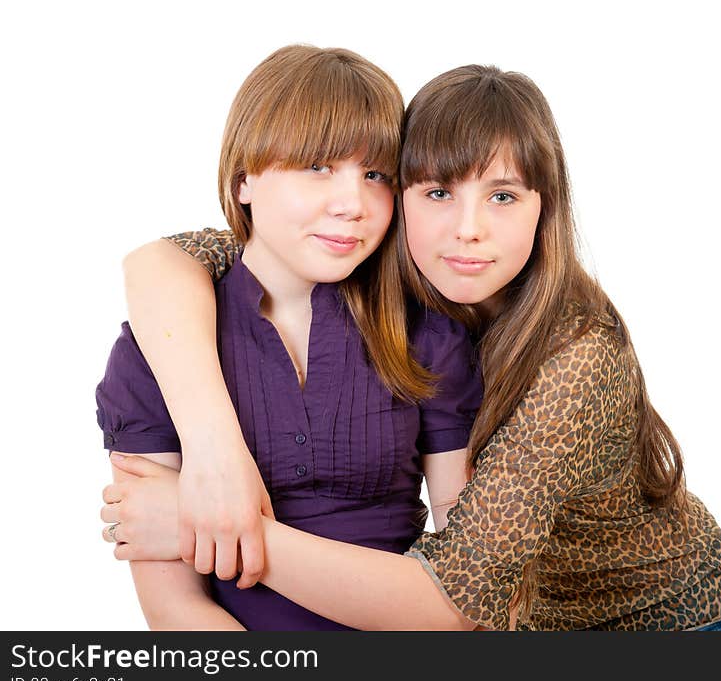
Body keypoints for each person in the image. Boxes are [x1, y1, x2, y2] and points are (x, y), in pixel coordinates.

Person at [101, 64, 721, 631]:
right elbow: (170, 260)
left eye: (503, 196)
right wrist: (215, 457)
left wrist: (210, 525)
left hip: (660, 621)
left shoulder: (575, 358)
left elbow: (456, 600)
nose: (468, 230)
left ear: (545, 207)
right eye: (438, 191)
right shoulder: (349, 262)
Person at [95, 45, 482, 630]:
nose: (353, 204)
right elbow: (177, 610)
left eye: (376, 174)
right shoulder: (161, 345)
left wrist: (223, 526)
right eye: (318, 166)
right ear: (245, 177)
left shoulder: (428, 333)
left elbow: (465, 589)